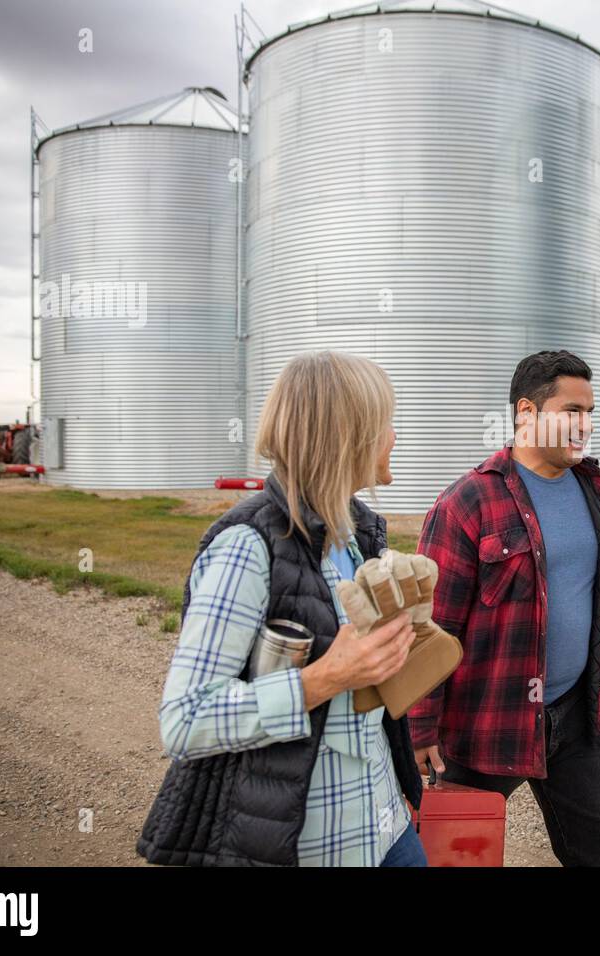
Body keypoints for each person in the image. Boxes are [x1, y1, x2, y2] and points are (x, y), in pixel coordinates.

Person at [136, 350, 428, 866]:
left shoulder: (358, 536)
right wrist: (325, 678)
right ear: (349, 435)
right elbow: (185, 721)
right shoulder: (248, 547)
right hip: (306, 844)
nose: (394, 436)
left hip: (387, 828)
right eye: (385, 423)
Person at [409, 350, 600, 866]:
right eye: (572, 410)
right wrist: (419, 726)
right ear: (526, 411)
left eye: (590, 412)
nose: (584, 425)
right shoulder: (468, 503)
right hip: (488, 720)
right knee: (458, 856)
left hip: (577, 713)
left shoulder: (598, 491)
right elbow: (430, 626)